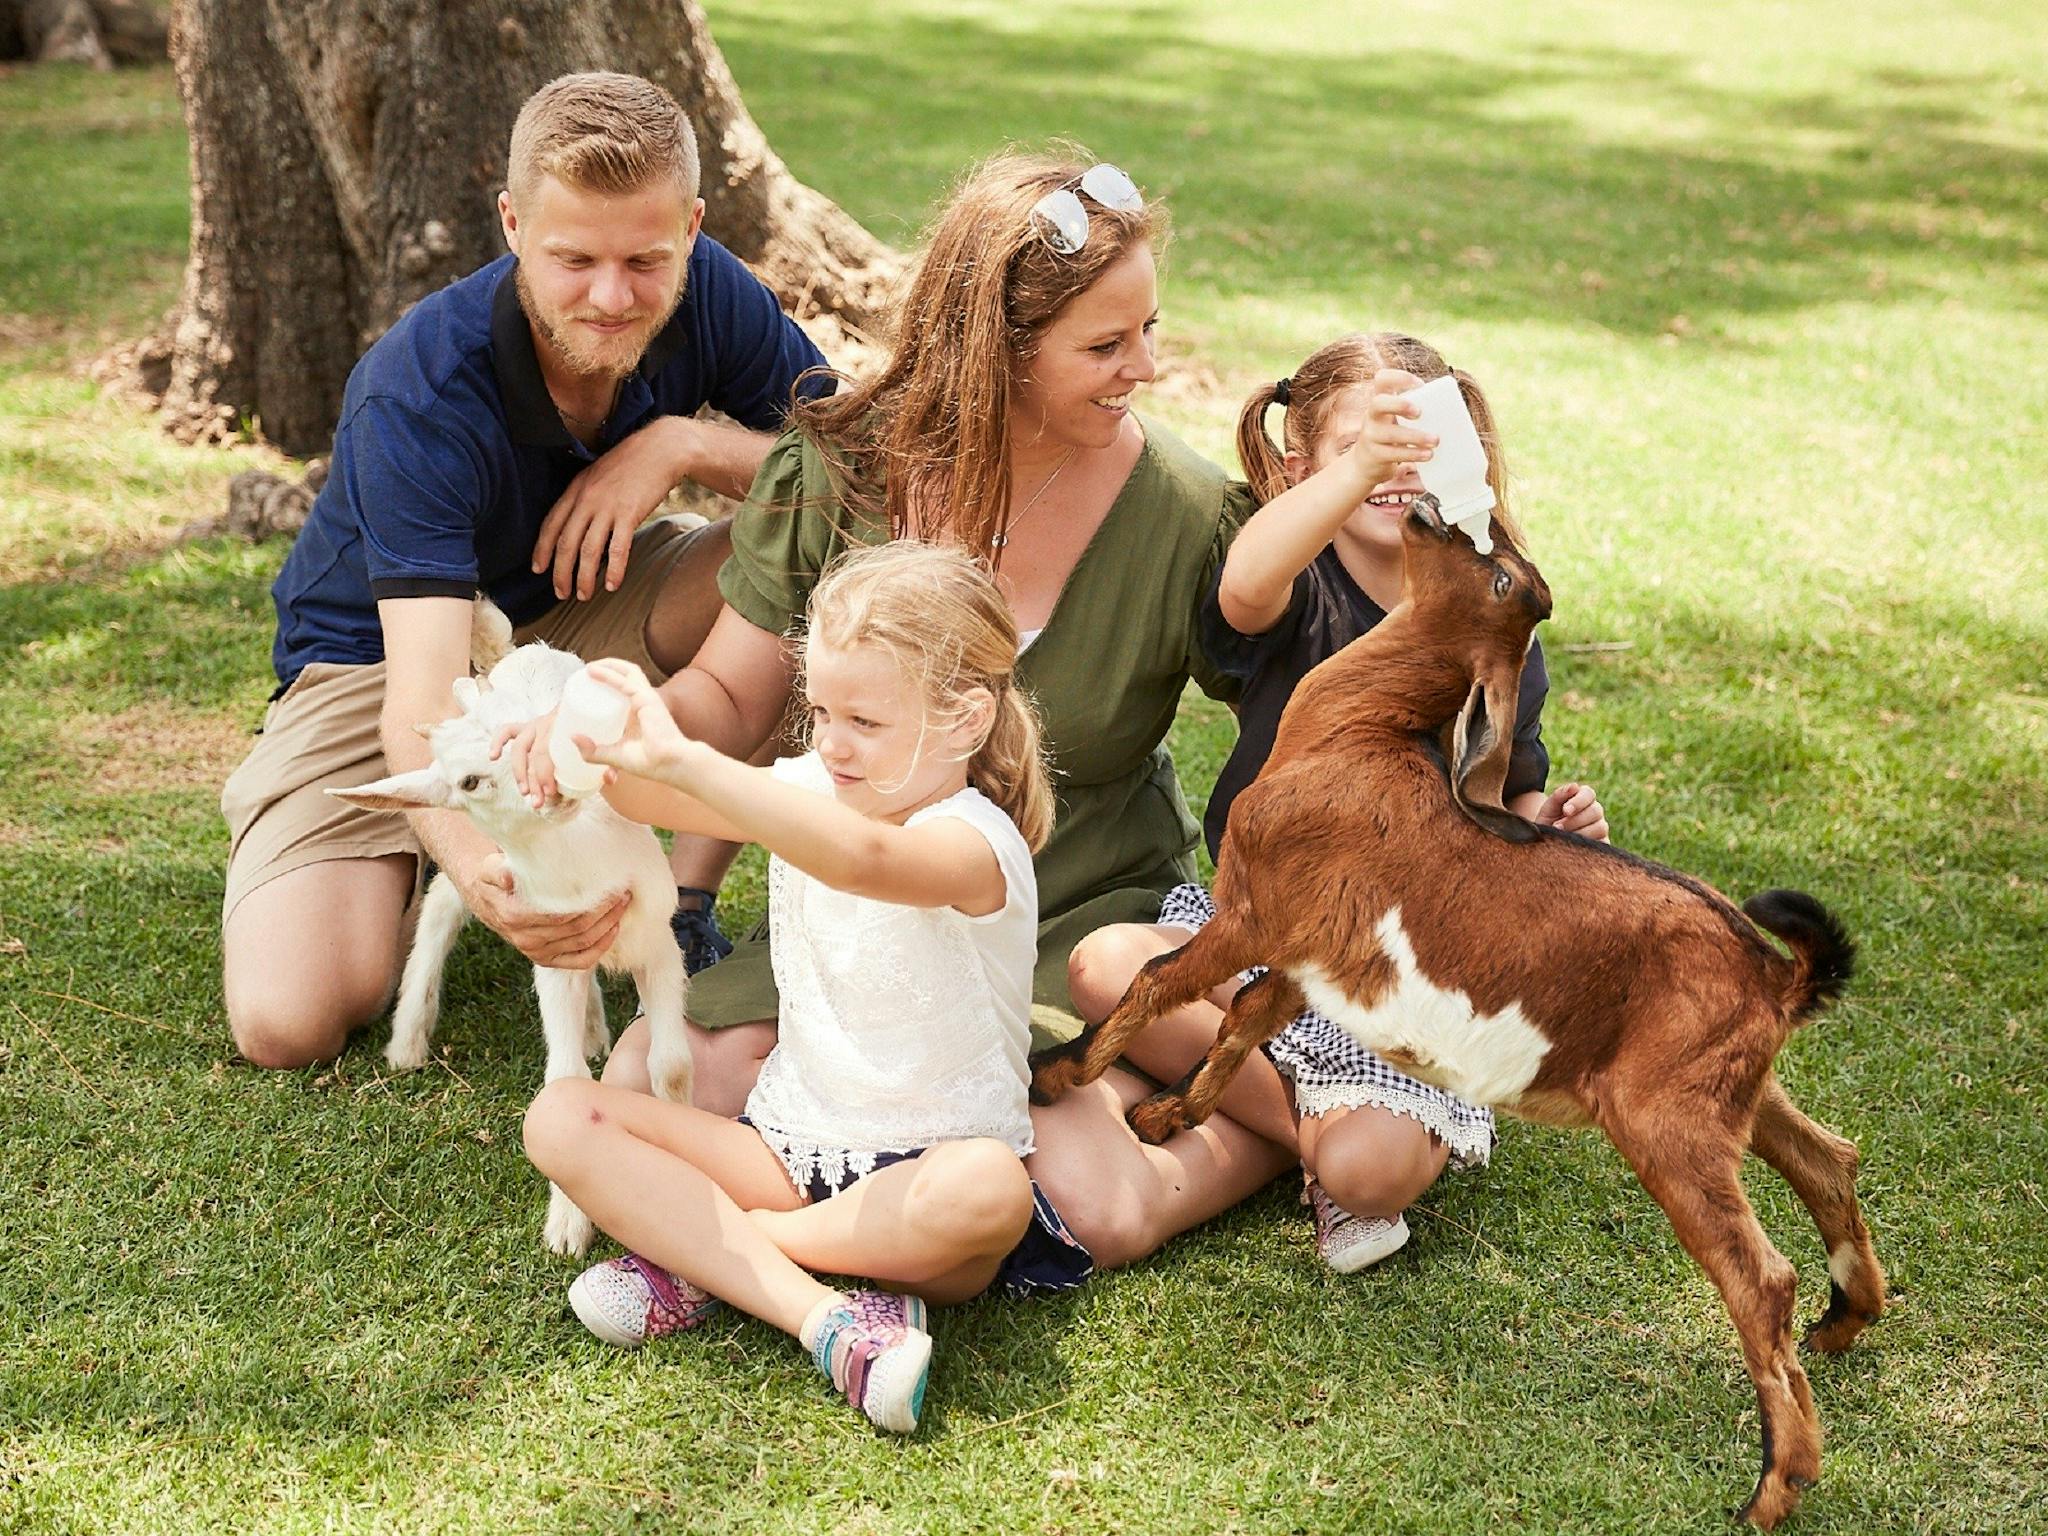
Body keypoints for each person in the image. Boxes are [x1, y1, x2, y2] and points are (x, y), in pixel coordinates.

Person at [220, 72, 830, 1071]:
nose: (610, 294)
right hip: (381, 660)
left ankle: (675, 905)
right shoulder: (416, 390)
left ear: (692, 223)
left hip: (580, 607)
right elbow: (418, 697)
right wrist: (481, 868)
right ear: (511, 224)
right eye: (573, 258)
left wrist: (682, 445)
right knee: (294, 1020)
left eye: (645, 257)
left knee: (810, 557)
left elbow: (868, 465)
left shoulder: (709, 285)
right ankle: (433, 847)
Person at [1066, 332, 1610, 1273]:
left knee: (1369, 1170)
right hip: (1261, 935)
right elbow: (1245, 577)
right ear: (1301, 467)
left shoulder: (1490, 624)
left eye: (1423, 442)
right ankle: (1313, 1132)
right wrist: (1358, 471)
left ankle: (1330, 1144)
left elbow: (1503, 801)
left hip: (1398, 982)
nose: (1398, 467)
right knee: (1109, 965)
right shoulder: (1292, 592)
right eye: (1368, 443)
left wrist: (1551, 831)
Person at [523, 542, 1088, 1433]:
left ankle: (709, 1254)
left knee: (991, 1190)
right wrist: (578, 736)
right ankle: (828, 1321)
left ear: (965, 719)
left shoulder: (977, 844)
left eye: (864, 720)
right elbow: (639, 799)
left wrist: (692, 764)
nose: (829, 741)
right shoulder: (806, 785)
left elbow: (862, 858)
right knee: (559, 1116)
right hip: (786, 1154)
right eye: (818, 710)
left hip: (923, 1195)